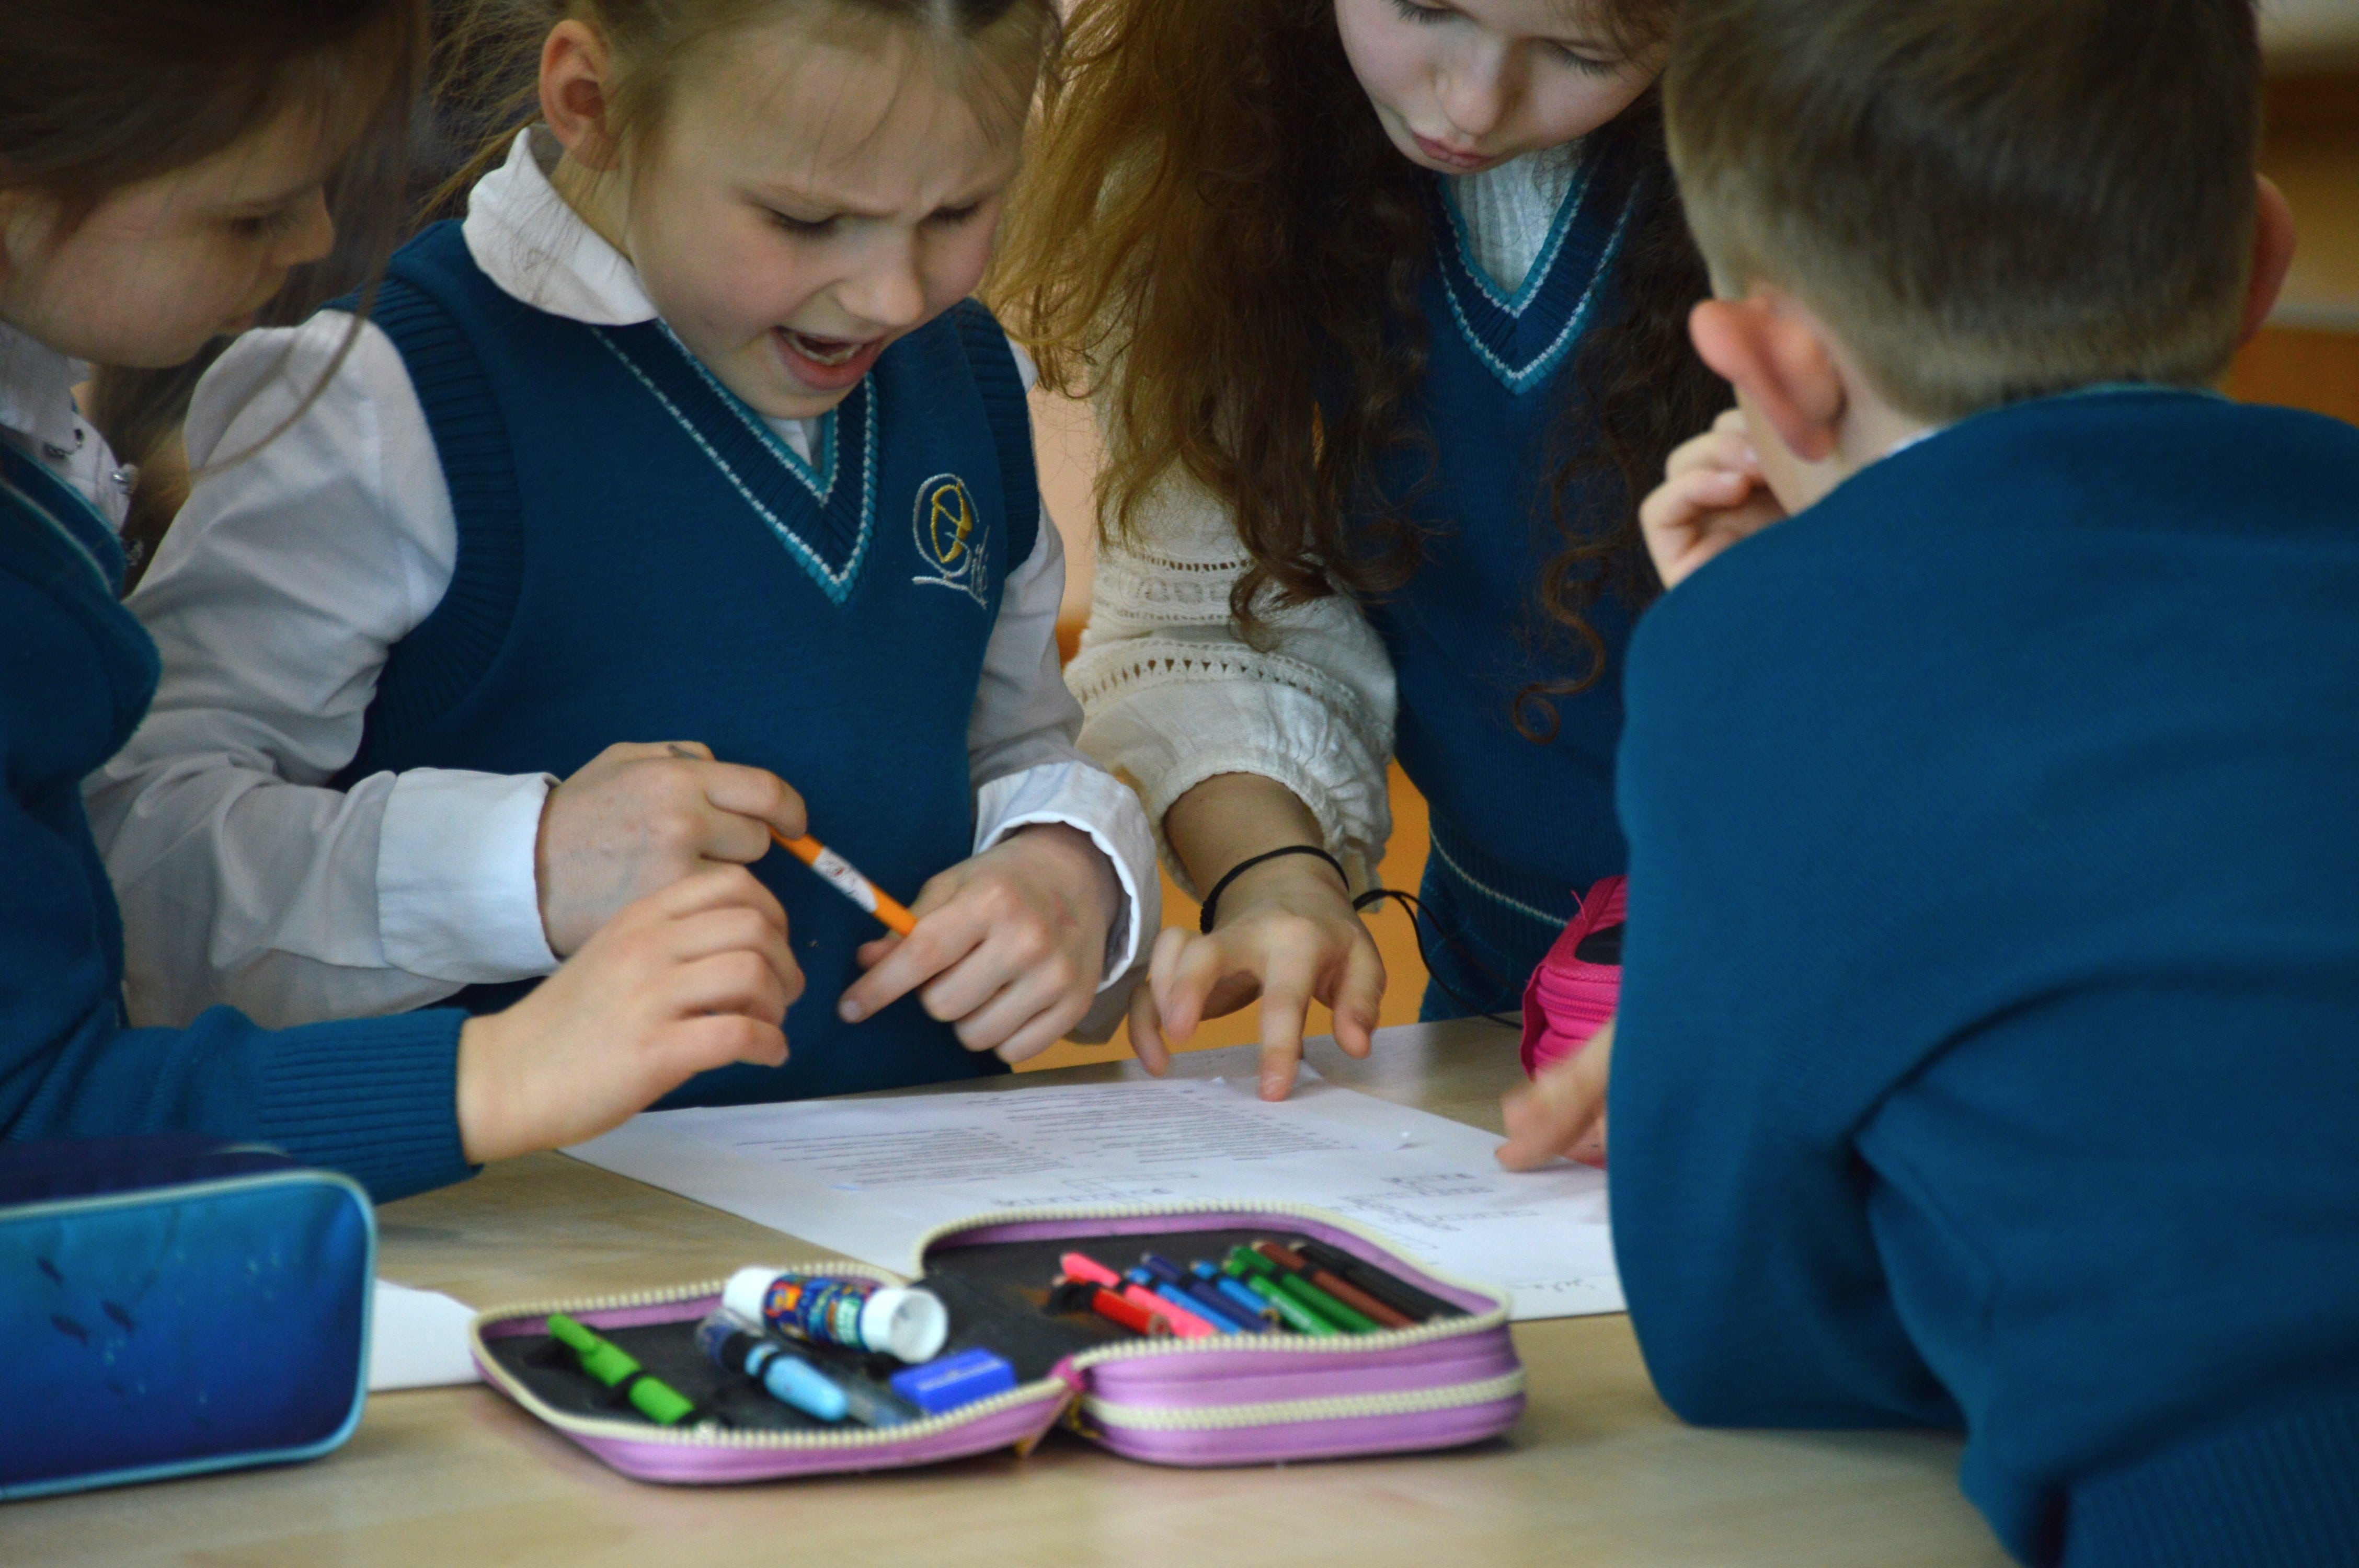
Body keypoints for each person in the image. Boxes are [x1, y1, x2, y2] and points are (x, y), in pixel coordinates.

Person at [1502, 1, 2359, 1561]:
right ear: (2261, 260)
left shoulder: (1761, 660)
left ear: (1769, 368)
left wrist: (1756, 636)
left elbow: (1739, 1337)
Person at [88, 0, 1160, 1104]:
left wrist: (1067, 866)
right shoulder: (381, 399)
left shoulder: (967, 375)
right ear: (591, 104)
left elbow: (1012, 744)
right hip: (527, 1202)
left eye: (957, 211)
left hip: (916, 1187)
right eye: (803, 218)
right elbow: (138, 865)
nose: (892, 292)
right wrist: (530, 865)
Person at [0, 0, 801, 1202]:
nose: (315, 236)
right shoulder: (394, 387)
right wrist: (502, 1068)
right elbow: (35, 1110)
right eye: (252, 212)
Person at [996, 0, 1729, 1099]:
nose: (1471, 105)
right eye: (1426, 7)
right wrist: (1277, 877)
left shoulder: (1855, 172)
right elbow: (1207, 624)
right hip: (1502, 997)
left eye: (1584, 53)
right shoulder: (1212, 147)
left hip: (1832, 985)